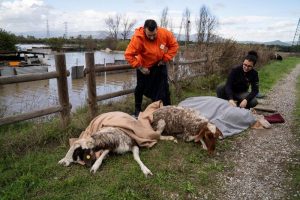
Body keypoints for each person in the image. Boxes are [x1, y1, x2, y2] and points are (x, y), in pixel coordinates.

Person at [124, 19, 179, 116]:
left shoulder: (164, 33)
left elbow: (174, 46)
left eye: (154, 34)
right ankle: (137, 110)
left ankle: (164, 108)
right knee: (140, 88)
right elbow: (128, 55)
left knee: (163, 87)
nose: (152, 37)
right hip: (144, 66)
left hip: (159, 64)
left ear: (157, 29)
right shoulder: (138, 38)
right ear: (144, 30)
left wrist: (165, 58)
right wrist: (140, 67)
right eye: (149, 35)